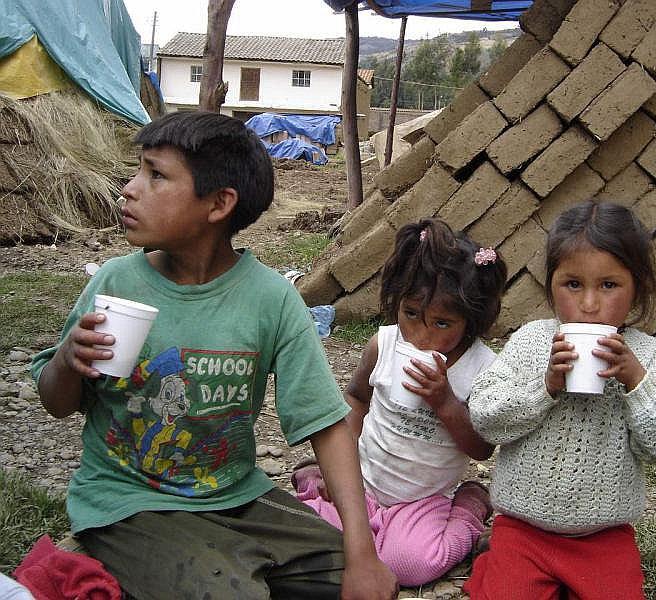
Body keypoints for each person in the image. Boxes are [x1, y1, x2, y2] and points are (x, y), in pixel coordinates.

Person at [30, 111, 397, 600]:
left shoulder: (271, 299)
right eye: (139, 170)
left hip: (236, 497)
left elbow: (327, 428)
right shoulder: (116, 282)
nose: (129, 188)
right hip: (129, 501)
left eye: (156, 174)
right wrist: (65, 361)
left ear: (219, 204)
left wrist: (362, 554)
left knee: (354, 579)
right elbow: (56, 403)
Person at [465, 200, 656, 600]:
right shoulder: (531, 343)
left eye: (609, 285)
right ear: (551, 285)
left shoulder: (649, 356)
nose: (590, 305)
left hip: (603, 535)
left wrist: (636, 382)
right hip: (523, 528)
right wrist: (545, 387)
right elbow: (485, 418)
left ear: (636, 289)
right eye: (573, 284)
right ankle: (498, 559)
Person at [292, 218, 507, 586]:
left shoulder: (482, 369)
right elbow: (357, 398)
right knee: (311, 542)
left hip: (423, 498)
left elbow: (482, 448)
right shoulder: (385, 344)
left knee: (411, 567)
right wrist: (340, 467)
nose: (421, 336)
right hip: (363, 481)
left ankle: (470, 505)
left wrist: (444, 402)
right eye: (411, 314)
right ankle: (321, 480)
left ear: (471, 320)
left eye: (441, 324)